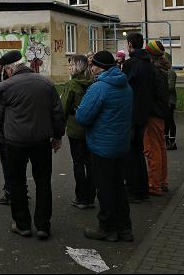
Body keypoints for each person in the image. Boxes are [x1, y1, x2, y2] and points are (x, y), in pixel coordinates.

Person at [0, 50, 65, 240]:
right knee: (43, 182)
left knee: (17, 182)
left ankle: (22, 225)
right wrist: (58, 136)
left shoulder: (7, 85)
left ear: (9, 69)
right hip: (41, 142)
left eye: (5, 71)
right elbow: (57, 112)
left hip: (15, 142)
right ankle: (43, 226)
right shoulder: (46, 83)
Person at [75, 51, 134, 242]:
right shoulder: (125, 85)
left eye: (92, 65)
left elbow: (83, 117)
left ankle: (107, 228)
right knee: (120, 187)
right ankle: (125, 228)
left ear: (99, 67)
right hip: (121, 144)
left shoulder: (99, 88)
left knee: (105, 188)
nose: (91, 69)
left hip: (102, 146)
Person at [121, 32, 155, 203]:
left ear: (129, 44)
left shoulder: (130, 64)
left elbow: (124, 86)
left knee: (130, 152)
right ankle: (143, 189)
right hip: (144, 113)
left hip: (131, 113)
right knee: (139, 151)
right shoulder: (148, 63)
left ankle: (133, 189)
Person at [62, 55, 96, 209]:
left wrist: (58, 129)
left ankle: (81, 197)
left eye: (71, 65)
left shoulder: (72, 84)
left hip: (75, 129)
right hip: (92, 129)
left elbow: (64, 108)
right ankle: (91, 197)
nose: (69, 68)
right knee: (91, 163)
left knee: (78, 163)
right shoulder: (94, 82)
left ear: (76, 67)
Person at [144, 40, 170, 196]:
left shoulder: (153, 71)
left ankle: (154, 184)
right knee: (160, 147)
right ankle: (162, 180)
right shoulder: (163, 70)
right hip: (161, 113)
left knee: (153, 150)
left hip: (153, 113)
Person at [163, 52, 178, 150]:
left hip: (170, 100)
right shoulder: (164, 71)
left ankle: (172, 141)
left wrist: (160, 86)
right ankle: (166, 140)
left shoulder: (171, 72)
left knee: (170, 120)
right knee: (166, 121)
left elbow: (171, 87)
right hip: (165, 100)